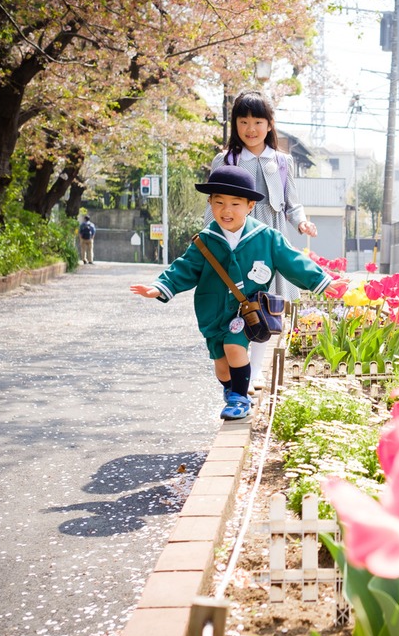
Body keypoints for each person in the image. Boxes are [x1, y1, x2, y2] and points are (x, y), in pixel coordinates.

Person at [130, 165, 333, 420]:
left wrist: (323, 281)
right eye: (219, 203)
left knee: (234, 346)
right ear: (210, 204)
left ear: (250, 206)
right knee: (221, 364)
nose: (227, 210)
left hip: (246, 311)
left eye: (235, 204)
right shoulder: (205, 240)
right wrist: (159, 287)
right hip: (212, 311)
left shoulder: (267, 237)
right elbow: (184, 268)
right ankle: (231, 389)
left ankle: (239, 398)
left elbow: (292, 261)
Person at [208, 90, 319, 388]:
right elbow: (213, 206)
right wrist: (210, 243)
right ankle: (235, 368)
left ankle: (254, 371)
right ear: (235, 124)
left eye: (258, 121)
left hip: (271, 244)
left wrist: (302, 222)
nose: (251, 128)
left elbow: (292, 204)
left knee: (265, 307)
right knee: (235, 304)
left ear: (270, 125)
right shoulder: (225, 159)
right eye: (243, 121)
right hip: (235, 244)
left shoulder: (282, 161)